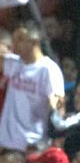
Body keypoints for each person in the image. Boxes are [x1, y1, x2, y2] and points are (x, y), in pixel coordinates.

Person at [0, 22, 65, 152]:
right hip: (5, 142)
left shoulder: (48, 69)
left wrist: (55, 106)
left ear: (34, 41)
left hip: (31, 144)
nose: (15, 44)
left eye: (20, 39)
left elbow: (59, 102)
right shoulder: (13, 63)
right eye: (14, 39)